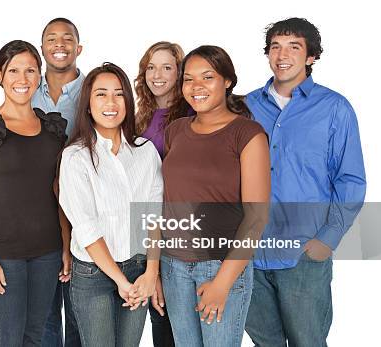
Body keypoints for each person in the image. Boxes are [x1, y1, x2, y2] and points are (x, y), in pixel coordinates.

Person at [244, 18, 366, 346]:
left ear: (311, 56)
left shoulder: (334, 109)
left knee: (308, 342)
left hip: (303, 253)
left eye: (294, 46)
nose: (283, 54)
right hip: (250, 254)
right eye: (275, 47)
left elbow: (350, 178)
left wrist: (328, 238)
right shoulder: (245, 107)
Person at [161, 45, 270, 346]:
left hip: (221, 264)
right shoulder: (176, 130)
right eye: (188, 79)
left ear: (227, 81)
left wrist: (223, 282)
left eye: (207, 77)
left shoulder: (248, 134)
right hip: (173, 266)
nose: (196, 87)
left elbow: (257, 217)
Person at [0, 40, 70, 347]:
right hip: (4, 253)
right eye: (13, 71)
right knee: (8, 338)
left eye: (30, 70)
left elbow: (57, 193)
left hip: (47, 251)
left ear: (40, 76)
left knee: (34, 336)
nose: (22, 79)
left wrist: (64, 245)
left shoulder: (52, 129)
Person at [59, 62, 163, 347]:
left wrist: (151, 273)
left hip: (139, 268)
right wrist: (120, 281)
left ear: (128, 102)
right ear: (88, 105)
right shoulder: (75, 157)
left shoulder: (145, 152)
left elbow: (153, 217)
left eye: (119, 94)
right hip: (94, 274)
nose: (111, 103)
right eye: (101, 94)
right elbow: (86, 228)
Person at [32, 17, 84, 347]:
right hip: (37, 216)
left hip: (83, 215)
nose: (59, 44)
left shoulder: (94, 88)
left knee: (81, 313)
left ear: (78, 48)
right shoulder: (23, 88)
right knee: (44, 316)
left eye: (67, 38)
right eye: (51, 38)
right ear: (42, 49)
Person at [134, 41, 185, 347]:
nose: (157, 74)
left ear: (180, 73)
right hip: (148, 229)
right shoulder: (142, 116)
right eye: (151, 67)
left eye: (167, 67)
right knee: (161, 320)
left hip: (180, 231)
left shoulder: (190, 115)